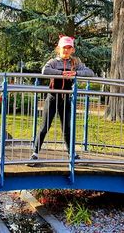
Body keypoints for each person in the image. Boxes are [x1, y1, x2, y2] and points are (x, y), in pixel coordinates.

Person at [30, 35, 95, 164]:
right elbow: (45, 70)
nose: (66, 51)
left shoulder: (75, 63)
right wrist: (61, 74)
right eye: (64, 48)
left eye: (69, 48)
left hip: (66, 99)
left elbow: (90, 73)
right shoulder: (54, 61)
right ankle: (35, 153)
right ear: (59, 49)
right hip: (53, 98)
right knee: (44, 127)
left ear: (72, 50)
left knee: (67, 128)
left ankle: (72, 154)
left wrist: (75, 73)